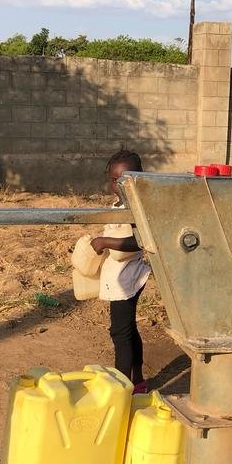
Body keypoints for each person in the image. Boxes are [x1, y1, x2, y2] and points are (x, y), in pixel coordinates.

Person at [90, 149, 150, 393]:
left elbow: (141, 241)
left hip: (129, 277)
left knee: (120, 333)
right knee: (128, 329)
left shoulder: (138, 205)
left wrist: (106, 241)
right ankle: (137, 380)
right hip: (118, 275)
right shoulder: (117, 204)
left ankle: (122, 388)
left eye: (126, 179)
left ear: (138, 176)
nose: (120, 185)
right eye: (115, 180)